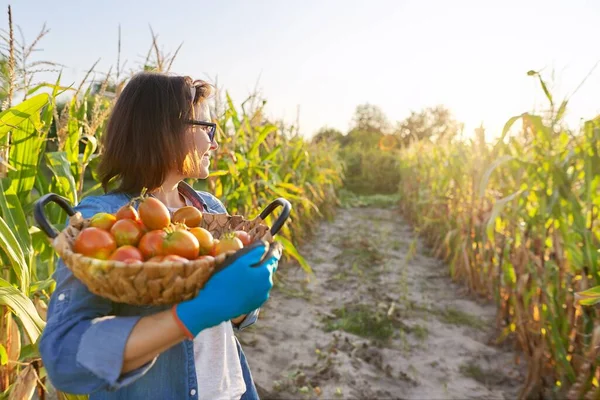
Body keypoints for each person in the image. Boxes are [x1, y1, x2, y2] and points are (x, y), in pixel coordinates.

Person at [39, 72, 279, 400]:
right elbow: (64, 356)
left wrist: (244, 295)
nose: (215, 142)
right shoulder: (100, 222)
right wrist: (192, 314)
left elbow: (231, 317)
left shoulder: (207, 209)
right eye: (207, 128)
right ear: (164, 131)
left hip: (230, 390)